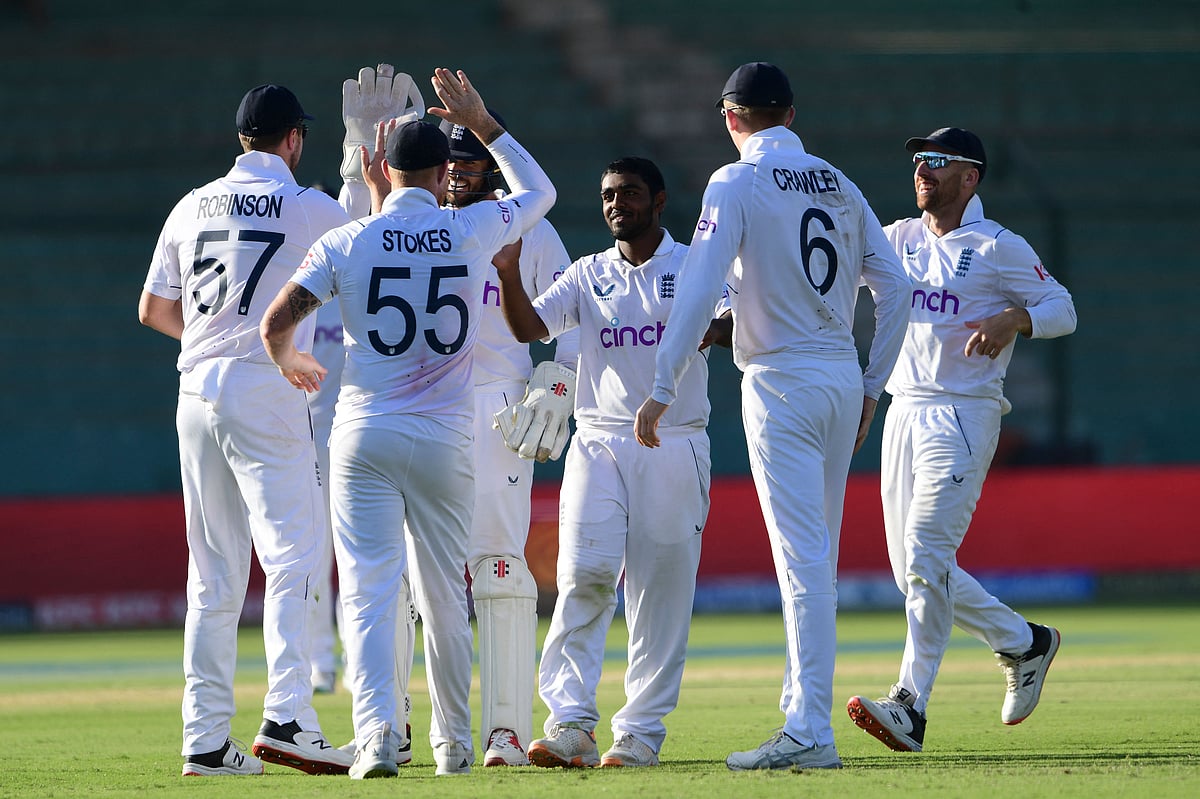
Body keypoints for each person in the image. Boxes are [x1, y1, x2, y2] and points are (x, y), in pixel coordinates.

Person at [259, 67, 556, 779]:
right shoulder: (469, 228)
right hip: (446, 436)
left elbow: (275, 322)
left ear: (382, 170)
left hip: (364, 433)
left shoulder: (348, 240)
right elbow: (540, 192)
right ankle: (454, 747)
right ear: (442, 172)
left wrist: (289, 359)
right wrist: (484, 123)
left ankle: (376, 740)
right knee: (446, 596)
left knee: (369, 594)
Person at [634, 62, 911, 771]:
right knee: (818, 554)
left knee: (801, 558)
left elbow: (699, 287)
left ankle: (810, 729)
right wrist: (872, 387)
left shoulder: (735, 181)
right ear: (789, 115)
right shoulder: (839, 182)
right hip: (839, 376)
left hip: (781, 381)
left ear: (731, 118)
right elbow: (897, 288)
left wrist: (662, 383)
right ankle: (800, 711)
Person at [138, 83, 356, 777]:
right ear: (293, 140)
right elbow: (370, 246)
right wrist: (368, 165)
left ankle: (205, 739)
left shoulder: (190, 204)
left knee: (213, 574)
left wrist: (216, 344)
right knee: (296, 556)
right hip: (265, 385)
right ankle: (288, 717)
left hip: (196, 389)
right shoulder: (309, 205)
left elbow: (152, 308)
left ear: (241, 139)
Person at [845, 128, 1075, 752]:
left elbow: (1063, 308)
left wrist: (1016, 317)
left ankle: (909, 706)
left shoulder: (998, 246)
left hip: (962, 414)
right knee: (913, 572)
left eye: (938, 161)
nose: (922, 169)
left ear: (970, 177)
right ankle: (1024, 642)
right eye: (919, 159)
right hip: (903, 412)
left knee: (925, 557)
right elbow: (835, 271)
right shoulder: (897, 237)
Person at [497, 157, 712, 769]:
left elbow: (727, 321)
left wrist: (705, 330)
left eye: (631, 193)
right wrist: (509, 273)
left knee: (659, 590)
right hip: (597, 440)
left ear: (659, 201)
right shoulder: (588, 273)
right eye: (609, 195)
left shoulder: (694, 265)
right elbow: (529, 327)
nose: (618, 204)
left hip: (674, 440)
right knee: (583, 574)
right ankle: (571, 724)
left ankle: (640, 731)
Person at [437, 111, 580, 767]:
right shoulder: (416, 224)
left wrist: (559, 379)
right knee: (416, 577)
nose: (458, 175)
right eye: (449, 163)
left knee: (499, 565)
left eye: (470, 164)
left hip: (500, 406)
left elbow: (573, 314)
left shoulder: (529, 226)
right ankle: (411, 731)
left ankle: (505, 732)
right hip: (424, 404)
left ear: (490, 168)